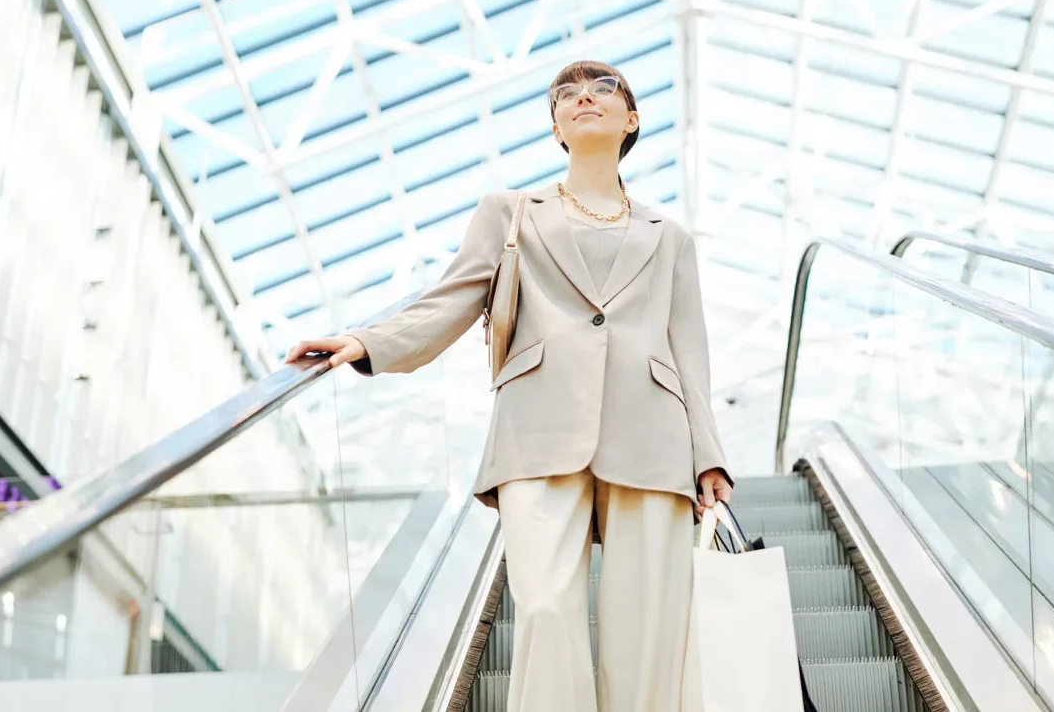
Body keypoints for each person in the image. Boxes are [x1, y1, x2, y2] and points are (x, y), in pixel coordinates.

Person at [285, 60, 733, 712]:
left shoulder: (671, 238)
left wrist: (709, 455)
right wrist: (369, 341)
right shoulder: (510, 213)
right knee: (547, 613)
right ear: (556, 125)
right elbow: (452, 299)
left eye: (603, 89)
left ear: (632, 118)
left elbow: (690, 350)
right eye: (567, 95)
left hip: (654, 437)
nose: (583, 97)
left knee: (646, 638)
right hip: (538, 429)